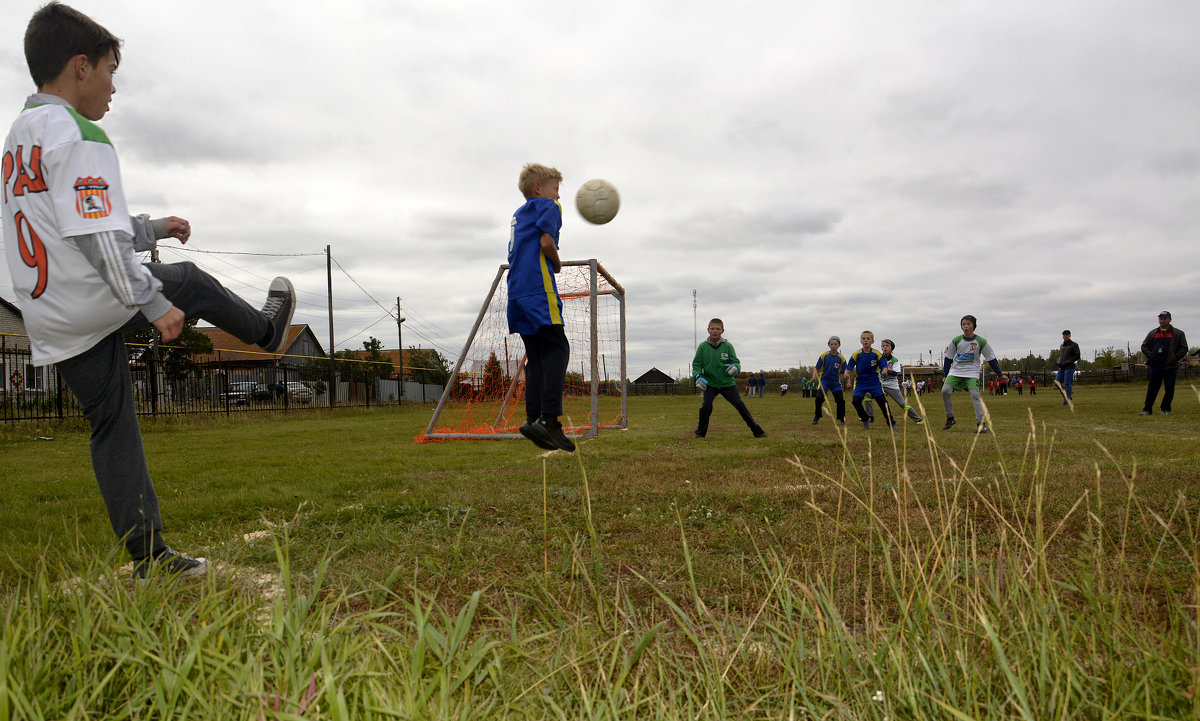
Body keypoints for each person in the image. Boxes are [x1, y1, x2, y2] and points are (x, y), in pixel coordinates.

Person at [2, 3, 297, 581]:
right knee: (186, 280)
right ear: (80, 67)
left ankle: (151, 557)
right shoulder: (78, 133)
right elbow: (94, 236)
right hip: (92, 295)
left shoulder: (19, 138)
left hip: (51, 316)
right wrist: (153, 299)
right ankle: (268, 331)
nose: (114, 87)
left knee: (112, 423)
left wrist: (154, 228)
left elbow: (77, 220)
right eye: (111, 71)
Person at [507, 163, 574, 452]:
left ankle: (532, 418)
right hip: (538, 289)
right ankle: (550, 422)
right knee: (558, 349)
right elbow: (547, 242)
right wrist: (557, 264)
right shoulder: (550, 206)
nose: (558, 194)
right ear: (539, 189)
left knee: (536, 356)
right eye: (555, 188)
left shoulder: (519, 215)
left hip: (516, 293)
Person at [693, 318, 766, 438]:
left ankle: (757, 431)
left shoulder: (728, 346)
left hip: (727, 383)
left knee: (739, 405)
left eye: (718, 329)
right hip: (710, 384)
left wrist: (735, 368)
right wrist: (697, 376)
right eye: (712, 328)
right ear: (708, 330)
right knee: (706, 406)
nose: (715, 331)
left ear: (722, 330)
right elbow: (696, 365)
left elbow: (736, 362)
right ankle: (700, 433)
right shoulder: (702, 347)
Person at [941, 315, 1006, 433]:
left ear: (974, 326)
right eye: (963, 324)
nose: (965, 327)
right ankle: (950, 418)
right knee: (945, 391)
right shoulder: (956, 340)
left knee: (975, 395)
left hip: (972, 372)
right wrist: (945, 374)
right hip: (956, 371)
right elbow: (948, 358)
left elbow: (991, 359)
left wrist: (1000, 374)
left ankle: (981, 424)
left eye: (968, 324)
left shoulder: (981, 341)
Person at [842, 331, 895, 429]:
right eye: (863, 339)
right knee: (856, 401)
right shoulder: (856, 354)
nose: (865, 340)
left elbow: (883, 364)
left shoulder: (876, 354)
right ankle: (865, 418)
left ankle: (891, 422)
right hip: (861, 382)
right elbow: (849, 366)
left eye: (868, 339)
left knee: (883, 403)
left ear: (872, 341)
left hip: (874, 382)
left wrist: (884, 370)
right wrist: (846, 372)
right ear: (861, 341)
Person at [1139, 311, 1188, 416]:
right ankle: (1147, 409)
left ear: (1170, 319)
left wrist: (1174, 358)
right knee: (1152, 388)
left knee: (1169, 388)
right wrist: (1151, 355)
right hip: (1155, 365)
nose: (1162, 320)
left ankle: (1165, 409)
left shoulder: (1178, 333)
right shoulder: (1153, 333)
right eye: (1161, 318)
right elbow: (1144, 346)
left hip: (1170, 366)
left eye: (1165, 318)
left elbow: (1184, 348)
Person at [880, 339, 923, 423]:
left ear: (891, 348)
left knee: (902, 404)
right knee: (867, 395)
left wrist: (886, 371)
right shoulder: (879, 358)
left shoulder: (894, 360)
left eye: (887, 346)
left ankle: (918, 419)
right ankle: (866, 417)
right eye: (883, 346)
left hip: (891, 385)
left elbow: (896, 373)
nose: (884, 347)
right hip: (879, 384)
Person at [812, 336, 846, 425]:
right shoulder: (824, 356)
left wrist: (848, 381)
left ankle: (842, 418)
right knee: (818, 398)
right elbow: (816, 368)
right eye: (831, 344)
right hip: (824, 381)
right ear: (829, 345)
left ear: (839, 345)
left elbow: (846, 371)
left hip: (835, 383)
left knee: (840, 400)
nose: (833, 346)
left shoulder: (841, 358)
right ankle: (817, 416)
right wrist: (814, 376)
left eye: (835, 344)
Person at [1056, 330, 1080, 405]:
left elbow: (1077, 355)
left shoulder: (1074, 345)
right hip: (1061, 367)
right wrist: (1059, 361)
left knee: (1067, 383)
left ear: (1070, 335)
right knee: (1057, 382)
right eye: (1064, 335)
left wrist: (1070, 361)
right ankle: (1067, 396)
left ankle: (1067, 400)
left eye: (1067, 334)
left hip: (1069, 367)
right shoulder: (1062, 345)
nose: (1065, 336)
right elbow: (1061, 355)